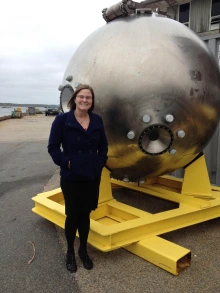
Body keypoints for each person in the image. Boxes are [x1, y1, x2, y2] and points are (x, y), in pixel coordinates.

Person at [48, 84, 108, 273]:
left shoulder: (97, 120)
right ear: (74, 99)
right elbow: (53, 147)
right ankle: (70, 253)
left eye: (88, 98)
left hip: (91, 176)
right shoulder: (62, 120)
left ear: (92, 101)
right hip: (71, 176)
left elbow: (104, 146)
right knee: (73, 214)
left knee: (86, 214)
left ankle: (83, 250)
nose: (84, 100)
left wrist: (98, 163)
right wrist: (67, 163)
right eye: (81, 97)